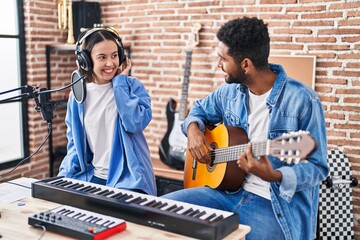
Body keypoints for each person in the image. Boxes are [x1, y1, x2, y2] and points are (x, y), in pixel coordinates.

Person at [162, 17, 329, 240]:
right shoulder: (229, 92)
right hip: (226, 193)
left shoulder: (303, 101)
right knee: (162, 211)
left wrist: (275, 175)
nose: (218, 64)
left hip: (275, 206)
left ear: (246, 64)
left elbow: (318, 168)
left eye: (222, 59)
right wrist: (193, 130)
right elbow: (199, 110)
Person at [58, 28, 156, 195]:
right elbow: (74, 144)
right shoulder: (78, 96)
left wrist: (120, 84)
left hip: (129, 180)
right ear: (85, 61)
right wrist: (63, 177)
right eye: (102, 57)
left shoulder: (132, 87)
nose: (110, 63)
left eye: (114, 55)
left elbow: (134, 123)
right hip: (92, 178)